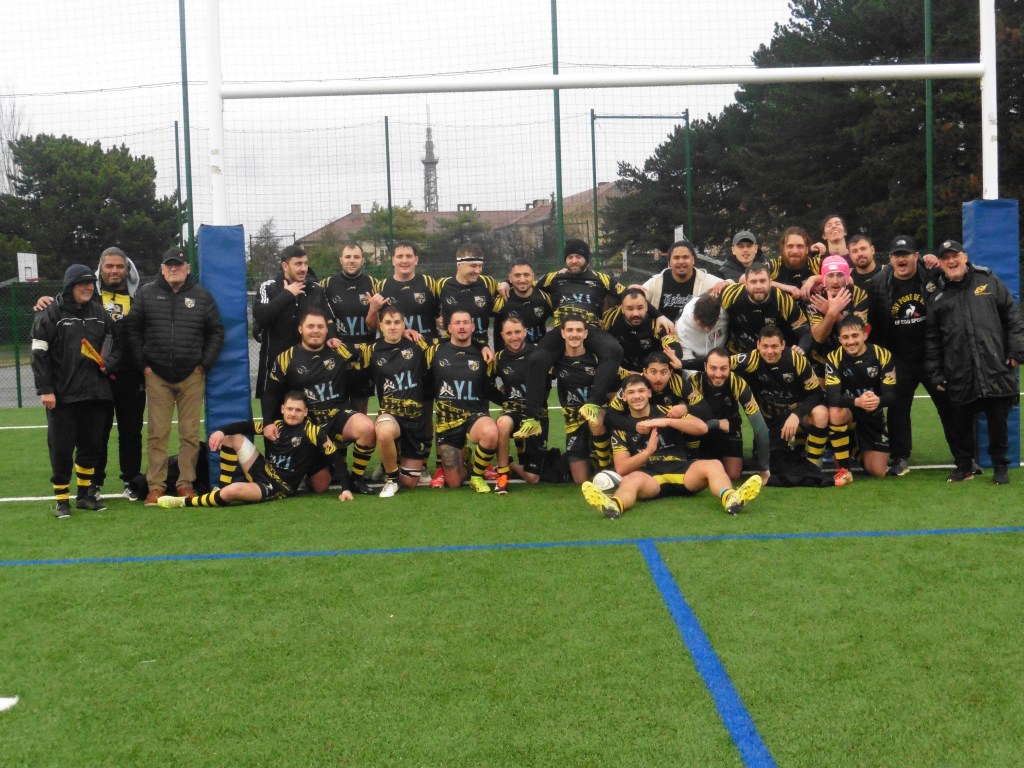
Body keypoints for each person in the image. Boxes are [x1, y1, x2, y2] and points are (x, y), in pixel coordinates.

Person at [512, 239, 660, 439]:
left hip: (590, 328)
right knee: (537, 359)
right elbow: (525, 286)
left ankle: (593, 402)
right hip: (563, 329)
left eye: (578, 256)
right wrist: (505, 283)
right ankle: (532, 419)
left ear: (586, 259)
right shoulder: (553, 278)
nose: (574, 260)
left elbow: (632, 297)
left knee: (614, 351)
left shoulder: (601, 279)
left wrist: (658, 315)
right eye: (570, 257)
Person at [33, 246, 146, 501]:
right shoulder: (87, 294)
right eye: (109, 266)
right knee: (97, 433)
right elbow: (61, 306)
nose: (115, 270)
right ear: (101, 269)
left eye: (120, 266)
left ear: (128, 270)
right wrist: (44, 300)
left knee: (131, 431)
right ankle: (94, 482)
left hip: (131, 377)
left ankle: (131, 480)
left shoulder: (141, 297)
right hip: (97, 378)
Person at [580, 374, 761, 519]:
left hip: (682, 471)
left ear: (649, 393)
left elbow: (701, 427)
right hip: (650, 475)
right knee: (629, 480)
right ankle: (614, 506)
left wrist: (666, 421)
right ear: (625, 397)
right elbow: (621, 467)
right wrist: (648, 451)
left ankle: (731, 498)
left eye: (641, 391)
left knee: (713, 464)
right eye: (631, 392)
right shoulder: (622, 426)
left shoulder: (667, 411)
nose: (637, 396)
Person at [126, 248, 224, 506]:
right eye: (169, 265)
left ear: (187, 268)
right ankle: (155, 486)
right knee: (157, 433)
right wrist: (143, 365)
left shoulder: (202, 297)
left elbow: (216, 332)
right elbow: (132, 330)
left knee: (190, 434)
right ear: (161, 268)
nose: (173, 269)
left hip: (192, 375)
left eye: (178, 265)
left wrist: (204, 364)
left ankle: (185, 484)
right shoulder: (146, 294)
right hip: (157, 375)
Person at [925, 239, 1024, 485]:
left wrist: (1015, 351)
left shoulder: (989, 281)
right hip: (959, 371)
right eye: (946, 258)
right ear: (941, 264)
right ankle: (963, 466)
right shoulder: (937, 296)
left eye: (955, 255)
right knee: (960, 423)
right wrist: (936, 373)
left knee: (998, 421)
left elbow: (1013, 317)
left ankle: (1001, 467)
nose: (951, 261)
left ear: (965, 257)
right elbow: (932, 340)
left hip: (995, 366)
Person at [31, 265, 118, 518]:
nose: (89, 287)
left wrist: (108, 363)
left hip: (96, 394)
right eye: (83, 283)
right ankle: (61, 500)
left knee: (92, 447)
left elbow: (114, 344)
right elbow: (38, 354)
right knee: (61, 449)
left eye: (91, 283)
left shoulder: (100, 313)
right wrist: (45, 390)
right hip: (62, 397)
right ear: (70, 286)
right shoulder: (50, 314)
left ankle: (84, 496)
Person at [157, 392, 341, 508]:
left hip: (276, 486)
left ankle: (183, 502)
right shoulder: (276, 425)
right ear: (283, 409)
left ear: (305, 412)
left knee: (232, 492)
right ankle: (220, 488)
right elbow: (245, 426)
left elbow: (335, 457)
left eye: (298, 410)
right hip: (262, 470)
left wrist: (346, 488)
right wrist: (221, 432)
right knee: (232, 438)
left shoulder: (313, 432)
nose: (293, 413)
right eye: (290, 409)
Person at [261, 308, 377, 494]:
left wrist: (402, 332)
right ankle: (317, 465)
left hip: (337, 416)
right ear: (300, 329)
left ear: (326, 330)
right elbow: (271, 393)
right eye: (310, 326)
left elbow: (376, 348)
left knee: (367, 428)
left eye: (320, 327)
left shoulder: (339, 350)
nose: (315, 331)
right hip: (308, 427)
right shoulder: (286, 358)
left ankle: (356, 478)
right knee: (321, 486)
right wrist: (267, 423)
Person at [867, 235, 953, 476]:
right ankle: (901, 457)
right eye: (896, 255)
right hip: (898, 358)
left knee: (948, 405)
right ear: (891, 259)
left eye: (906, 254)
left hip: (931, 356)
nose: (901, 259)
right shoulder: (877, 284)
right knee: (897, 409)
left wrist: (936, 261)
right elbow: (873, 324)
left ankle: (963, 456)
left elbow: (957, 271)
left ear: (916, 256)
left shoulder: (932, 276)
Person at [356, 305, 433, 498]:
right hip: (391, 416)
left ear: (404, 324)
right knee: (383, 431)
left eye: (397, 322)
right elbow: (349, 363)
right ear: (380, 325)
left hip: (415, 421)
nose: (393, 326)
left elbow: (445, 348)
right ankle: (391, 479)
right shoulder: (371, 350)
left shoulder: (418, 345)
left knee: (411, 482)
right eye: (388, 323)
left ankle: (389, 462)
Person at [732, 326, 830, 468]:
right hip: (772, 422)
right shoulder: (751, 359)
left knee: (821, 413)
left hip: (798, 418)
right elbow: (718, 363)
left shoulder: (796, 360)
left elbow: (817, 394)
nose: (769, 351)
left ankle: (813, 465)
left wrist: (796, 415)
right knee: (771, 465)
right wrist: (687, 365)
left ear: (783, 345)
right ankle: (793, 446)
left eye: (774, 346)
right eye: (765, 346)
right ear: (758, 345)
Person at [427, 310, 503, 492]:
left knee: (491, 432)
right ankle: (466, 456)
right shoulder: (435, 351)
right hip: (448, 424)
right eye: (457, 323)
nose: (462, 326)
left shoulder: (483, 355)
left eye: (466, 323)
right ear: (449, 328)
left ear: (473, 327)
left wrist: (510, 401)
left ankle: (477, 476)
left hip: (473, 417)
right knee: (454, 482)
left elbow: (489, 389)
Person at [253, 244, 335, 398]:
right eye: (298, 264)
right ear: (285, 265)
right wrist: (287, 294)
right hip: (273, 366)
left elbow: (328, 320)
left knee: (304, 417)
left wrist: (332, 337)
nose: (303, 268)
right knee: (272, 420)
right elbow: (262, 316)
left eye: (305, 263)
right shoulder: (268, 288)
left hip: (308, 368)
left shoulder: (316, 289)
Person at [824, 316, 897, 485]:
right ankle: (844, 470)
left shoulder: (882, 354)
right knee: (835, 412)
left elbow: (892, 396)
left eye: (855, 336)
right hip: (849, 410)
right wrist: (857, 402)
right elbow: (833, 397)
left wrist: (877, 401)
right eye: (846, 337)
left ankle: (852, 449)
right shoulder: (834, 357)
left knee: (877, 472)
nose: (851, 341)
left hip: (873, 412)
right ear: (839, 339)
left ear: (865, 335)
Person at [689, 347, 771, 482]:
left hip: (730, 430)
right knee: (695, 473)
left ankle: (726, 459)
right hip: (702, 431)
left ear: (730, 367)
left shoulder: (737, 383)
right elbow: (684, 419)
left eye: (723, 368)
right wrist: (715, 424)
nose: (718, 374)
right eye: (713, 368)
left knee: (733, 475)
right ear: (705, 367)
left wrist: (764, 467)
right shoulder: (694, 382)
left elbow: (760, 427)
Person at [552, 315, 612, 484]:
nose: (574, 334)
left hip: (598, 415)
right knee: (580, 480)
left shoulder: (597, 358)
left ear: (586, 333)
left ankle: (604, 469)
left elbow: (622, 375)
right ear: (562, 333)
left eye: (579, 330)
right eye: (570, 330)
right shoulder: (555, 360)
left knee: (595, 419)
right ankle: (593, 455)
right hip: (573, 423)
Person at [320, 243, 378, 413]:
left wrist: (374, 308)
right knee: (337, 410)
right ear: (341, 260)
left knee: (361, 410)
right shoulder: (327, 285)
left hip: (364, 356)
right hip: (336, 356)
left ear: (363, 261)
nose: (352, 261)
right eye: (348, 257)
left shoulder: (374, 284)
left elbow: (379, 323)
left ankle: (363, 440)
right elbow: (321, 316)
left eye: (356, 257)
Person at [493, 316, 546, 491]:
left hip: (535, 416)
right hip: (512, 412)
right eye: (509, 333)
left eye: (517, 332)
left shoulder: (539, 354)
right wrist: (502, 398)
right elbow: (485, 385)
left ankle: (512, 464)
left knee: (532, 478)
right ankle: (502, 476)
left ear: (525, 332)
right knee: (502, 422)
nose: (514, 337)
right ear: (502, 335)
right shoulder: (498, 357)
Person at [719, 263, 812, 355]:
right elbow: (710, 306)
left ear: (770, 283)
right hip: (739, 352)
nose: (758, 286)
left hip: (773, 355)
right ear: (746, 284)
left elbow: (805, 333)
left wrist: (800, 350)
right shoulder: (731, 294)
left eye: (762, 281)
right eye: (753, 282)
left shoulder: (783, 300)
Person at [806, 254, 871, 377]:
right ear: (823, 279)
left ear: (847, 277)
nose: (835, 281)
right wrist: (831, 313)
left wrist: (831, 311)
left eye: (840, 275)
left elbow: (860, 331)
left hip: (853, 356)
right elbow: (819, 337)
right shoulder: (816, 297)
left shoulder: (858, 294)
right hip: (822, 358)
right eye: (830, 275)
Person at [368, 241, 442, 343]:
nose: (404, 260)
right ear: (393, 260)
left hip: (427, 348)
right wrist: (373, 310)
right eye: (399, 256)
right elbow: (372, 327)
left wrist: (442, 320)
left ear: (416, 260)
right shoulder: (380, 287)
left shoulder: (429, 282)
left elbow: (440, 315)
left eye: (408, 256)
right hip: (395, 351)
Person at [602, 287, 683, 374]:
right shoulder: (610, 317)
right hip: (621, 370)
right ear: (622, 309)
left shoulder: (658, 323)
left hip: (651, 373)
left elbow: (675, 350)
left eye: (640, 308)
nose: (635, 313)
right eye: (630, 309)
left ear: (647, 307)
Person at [640, 239, 725, 322]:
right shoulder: (657, 281)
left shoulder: (705, 280)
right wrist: (633, 289)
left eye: (685, 257)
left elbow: (732, 286)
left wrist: (726, 283)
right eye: (676, 258)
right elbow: (637, 297)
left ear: (693, 260)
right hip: (663, 334)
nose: (681, 261)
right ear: (670, 262)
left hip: (694, 334)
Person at [436, 242, 500, 347]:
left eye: (480, 266)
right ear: (459, 264)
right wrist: (439, 318)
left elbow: (515, 288)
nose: (478, 271)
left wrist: (506, 283)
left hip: (481, 349)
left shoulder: (488, 282)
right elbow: (431, 307)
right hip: (450, 350)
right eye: (473, 266)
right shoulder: (442, 284)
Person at [491, 259, 552, 351]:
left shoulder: (544, 298)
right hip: (508, 361)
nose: (522, 280)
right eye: (517, 275)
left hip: (537, 358)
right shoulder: (500, 300)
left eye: (526, 275)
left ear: (533, 277)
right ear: (510, 278)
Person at [675, 294, 729, 378]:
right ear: (695, 316)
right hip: (696, 363)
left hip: (725, 358)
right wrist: (698, 380)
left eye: (711, 325)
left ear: (718, 317)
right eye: (702, 325)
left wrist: (728, 281)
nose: (706, 330)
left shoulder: (725, 312)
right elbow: (686, 358)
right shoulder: (682, 328)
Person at [769, 226, 822, 300]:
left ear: (807, 249)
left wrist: (814, 279)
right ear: (783, 249)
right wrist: (785, 287)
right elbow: (747, 279)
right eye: (790, 246)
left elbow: (841, 275)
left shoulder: (815, 263)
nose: (795, 251)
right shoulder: (775, 265)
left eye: (800, 246)